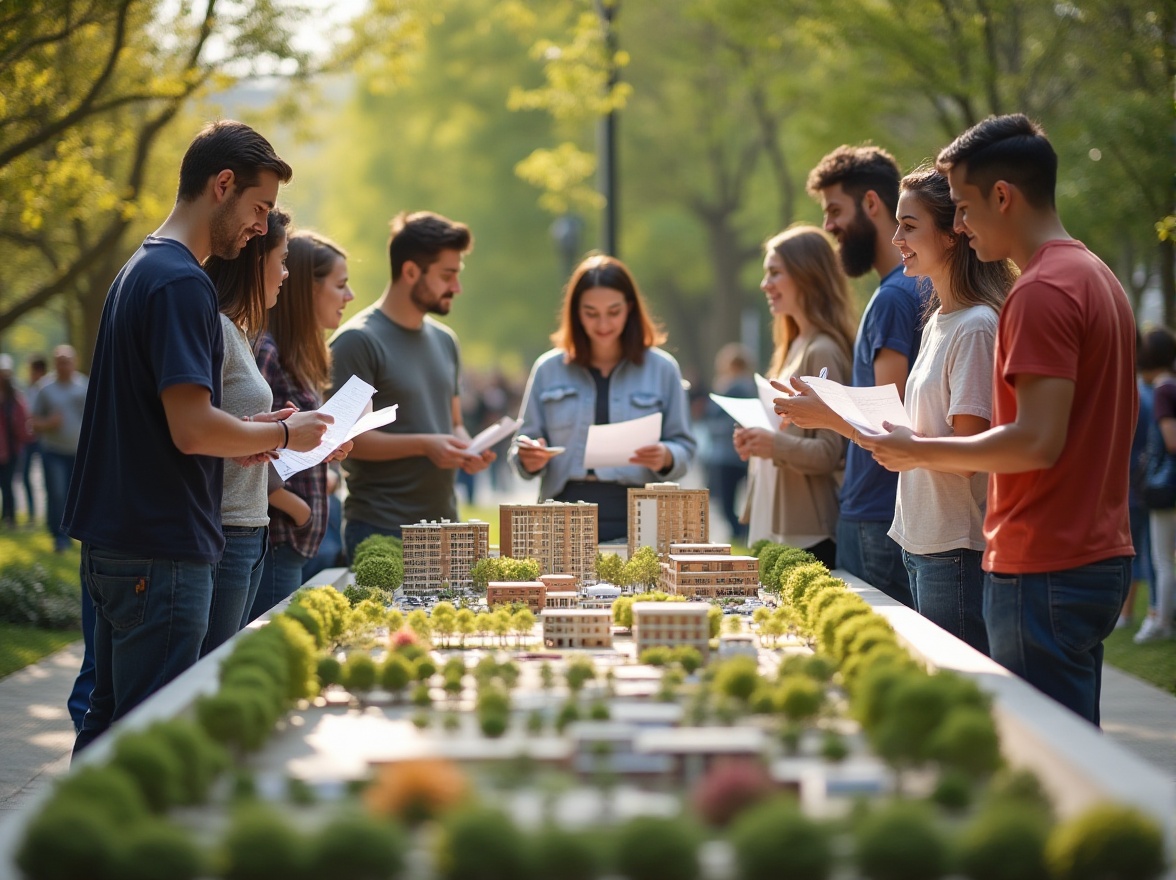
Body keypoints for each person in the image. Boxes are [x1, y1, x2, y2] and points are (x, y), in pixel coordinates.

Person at [63, 120, 334, 752]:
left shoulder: (142, 267)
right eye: (259, 207)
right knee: (153, 744)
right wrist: (289, 433)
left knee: (107, 734)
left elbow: (170, 417)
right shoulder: (184, 281)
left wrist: (259, 432)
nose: (262, 227)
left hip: (119, 541)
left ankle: (80, 852)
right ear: (222, 185)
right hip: (161, 549)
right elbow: (190, 430)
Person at [858, 114, 1136, 725]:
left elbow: (1036, 440)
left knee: (1035, 754)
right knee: (1073, 749)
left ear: (1003, 196)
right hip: (1092, 553)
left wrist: (919, 451)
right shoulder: (1096, 276)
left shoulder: (1041, 291)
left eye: (960, 207)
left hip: (1042, 563)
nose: (957, 225)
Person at [775, 145, 923, 606]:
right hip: (879, 512)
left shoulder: (894, 297)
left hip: (876, 515)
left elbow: (886, 421)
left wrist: (819, 409)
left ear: (872, 204)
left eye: (835, 210)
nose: (828, 226)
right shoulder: (904, 290)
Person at [884, 166, 1016, 654]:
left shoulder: (978, 326)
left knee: (962, 692)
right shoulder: (938, 320)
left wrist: (908, 450)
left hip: (954, 547)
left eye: (910, 226)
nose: (896, 238)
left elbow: (967, 454)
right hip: (920, 540)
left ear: (951, 235)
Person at [329, 211, 493, 558]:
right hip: (380, 527)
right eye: (447, 275)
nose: (457, 287)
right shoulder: (358, 342)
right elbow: (350, 441)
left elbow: (455, 424)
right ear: (410, 271)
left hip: (446, 526)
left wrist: (470, 450)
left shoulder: (446, 340)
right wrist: (426, 445)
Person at [509, 254, 697, 542]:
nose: (603, 324)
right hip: (562, 517)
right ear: (575, 313)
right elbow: (521, 446)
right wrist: (529, 458)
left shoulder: (663, 369)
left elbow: (685, 446)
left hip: (641, 517)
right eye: (591, 313)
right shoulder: (548, 369)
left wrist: (667, 456)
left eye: (614, 311)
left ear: (630, 308)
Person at [732, 227, 854, 568]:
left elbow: (831, 451)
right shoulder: (793, 346)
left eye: (774, 273)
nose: (765, 284)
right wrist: (755, 440)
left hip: (808, 532)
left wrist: (772, 445)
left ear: (807, 275)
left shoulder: (823, 350)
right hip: (780, 522)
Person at [199, 208, 290, 654]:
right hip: (225, 528)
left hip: (249, 525)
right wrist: (282, 434)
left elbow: (231, 426)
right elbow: (193, 431)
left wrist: (273, 431)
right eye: (282, 259)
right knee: (209, 672)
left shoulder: (238, 331)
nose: (285, 273)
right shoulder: (215, 327)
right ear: (257, 262)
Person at [252, 230, 355, 617]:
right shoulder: (266, 352)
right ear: (306, 289)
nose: (350, 297)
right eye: (341, 285)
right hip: (278, 539)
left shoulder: (304, 357)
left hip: (296, 541)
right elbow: (234, 439)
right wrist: (298, 509)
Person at [1134, 327, 1176, 644]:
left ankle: (1161, 620)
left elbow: (1170, 441)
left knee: (1161, 558)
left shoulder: (1162, 390)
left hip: (1165, 486)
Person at [29, 346, 88, 552]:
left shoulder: (84, 385)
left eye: (68, 361)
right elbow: (33, 423)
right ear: (54, 363)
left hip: (79, 452)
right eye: (60, 361)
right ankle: (59, 536)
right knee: (57, 493)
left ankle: (77, 533)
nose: (64, 365)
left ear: (75, 362)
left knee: (77, 495)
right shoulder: (45, 389)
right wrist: (48, 424)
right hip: (53, 451)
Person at [702, 342, 756, 543]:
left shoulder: (734, 387)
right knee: (740, 500)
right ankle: (741, 532)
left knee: (725, 501)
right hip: (735, 452)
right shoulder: (745, 386)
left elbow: (716, 415)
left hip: (727, 452)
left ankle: (739, 532)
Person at [0, 353, 32, 530]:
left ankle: (9, 516)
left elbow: (22, 420)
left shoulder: (15, 397)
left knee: (8, 483)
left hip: (12, 448)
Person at [18, 354, 48, 524]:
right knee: (25, 476)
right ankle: (31, 513)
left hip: (43, 439)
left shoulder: (47, 389)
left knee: (49, 479)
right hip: (29, 439)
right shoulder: (30, 389)